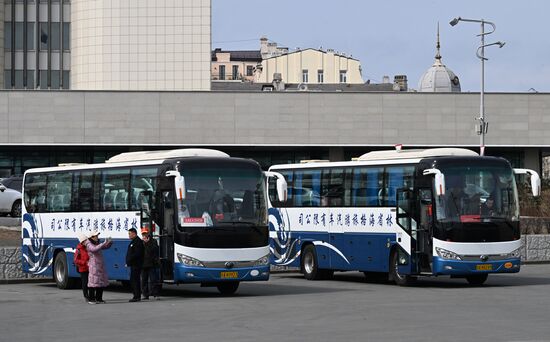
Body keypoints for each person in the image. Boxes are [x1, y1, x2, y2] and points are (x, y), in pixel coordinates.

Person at [84, 231, 112, 304]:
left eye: (97, 236)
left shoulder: (96, 243)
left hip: (99, 265)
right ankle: (91, 299)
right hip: (94, 265)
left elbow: (104, 247)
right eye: (95, 236)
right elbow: (94, 249)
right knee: (93, 282)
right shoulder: (88, 244)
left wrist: (109, 243)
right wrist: (103, 243)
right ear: (92, 237)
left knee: (100, 282)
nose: (97, 237)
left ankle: (99, 298)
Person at [141, 228, 161, 300]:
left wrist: (147, 243)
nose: (144, 235)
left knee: (153, 280)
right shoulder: (141, 242)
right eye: (143, 234)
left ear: (148, 233)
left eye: (145, 233)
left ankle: (155, 294)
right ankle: (145, 295)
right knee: (144, 280)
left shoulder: (153, 241)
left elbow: (154, 251)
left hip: (151, 264)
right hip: (143, 264)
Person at [126, 227, 144, 302]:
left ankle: (137, 296)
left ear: (134, 233)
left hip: (136, 264)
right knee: (133, 280)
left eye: (130, 234)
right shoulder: (134, 241)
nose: (129, 235)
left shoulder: (137, 242)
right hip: (133, 264)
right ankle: (136, 295)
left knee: (135, 280)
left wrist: (129, 260)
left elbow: (137, 253)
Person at [74, 232, 90, 302]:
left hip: (90, 267)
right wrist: (84, 262)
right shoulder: (79, 249)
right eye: (85, 240)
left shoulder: (88, 247)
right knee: (85, 282)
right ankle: (86, 295)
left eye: (87, 240)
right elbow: (76, 260)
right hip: (83, 268)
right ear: (82, 242)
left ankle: (91, 295)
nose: (87, 241)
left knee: (90, 282)